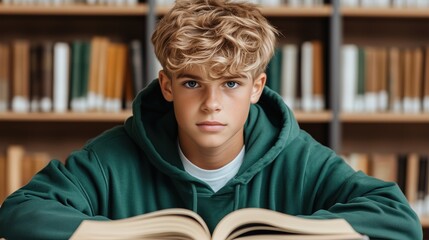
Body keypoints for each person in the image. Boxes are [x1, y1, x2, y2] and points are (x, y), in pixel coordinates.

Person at [0, 0, 422, 239]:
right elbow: (21, 213)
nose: (211, 104)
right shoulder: (111, 157)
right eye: (191, 84)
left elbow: (396, 219)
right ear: (166, 86)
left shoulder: (299, 157)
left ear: (257, 88)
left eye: (231, 85)